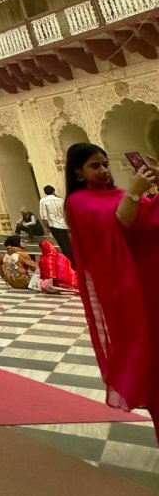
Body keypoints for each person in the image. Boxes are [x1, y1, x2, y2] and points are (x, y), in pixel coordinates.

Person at [65, 142, 159, 429]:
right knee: (152, 366)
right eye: (94, 166)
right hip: (128, 294)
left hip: (152, 284)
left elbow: (149, 219)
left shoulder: (118, 195)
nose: (103, 170)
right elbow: (118, 225)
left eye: (105, 164)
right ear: (78, 171)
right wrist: (135, 191)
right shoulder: (79, 202)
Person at [38, 184, 71, 259]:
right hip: (64, 224)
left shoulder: (43, 201)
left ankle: (69, 261)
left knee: (62, 244)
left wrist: (47, 228)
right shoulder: (61, 200)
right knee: (69, 244)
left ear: (45, 192)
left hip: (54, 225)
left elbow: (44, 217)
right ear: (53, 191)